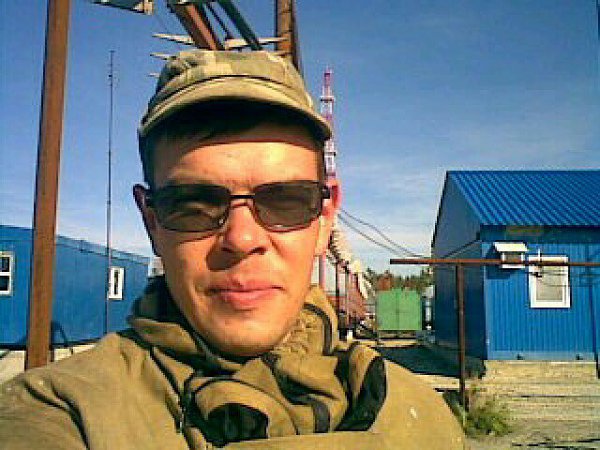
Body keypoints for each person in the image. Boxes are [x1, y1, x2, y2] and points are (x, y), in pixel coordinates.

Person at [0, 50, 466, 449]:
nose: (242, 240)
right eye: (193, 205)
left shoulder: (417, 413)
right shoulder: (63, 414)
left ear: (325, 218)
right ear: (152, 222)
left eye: (285, 201)